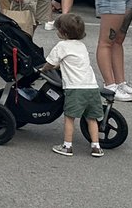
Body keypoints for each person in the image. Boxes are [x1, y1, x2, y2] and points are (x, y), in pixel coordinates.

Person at [42, 13, 104, 157]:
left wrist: (44, 69)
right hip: (91, 87)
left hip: (75, 88)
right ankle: (96, 146)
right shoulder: (81, 46)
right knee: (92, 118)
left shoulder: (62, 46)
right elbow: (72, 63)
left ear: (63, 32)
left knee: (70, 117)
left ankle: (67, 146)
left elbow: (50, 63)